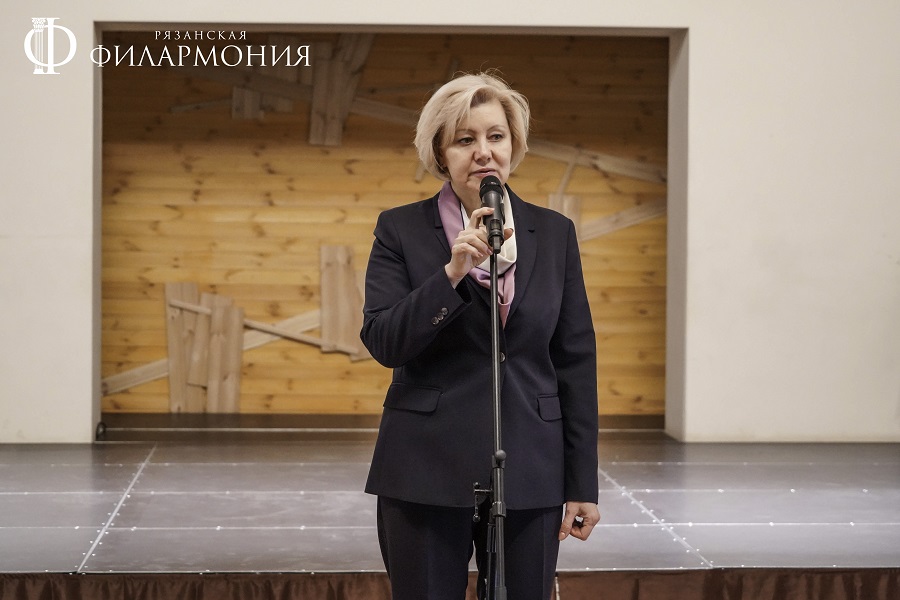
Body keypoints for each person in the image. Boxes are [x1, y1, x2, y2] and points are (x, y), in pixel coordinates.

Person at [360, 71, 600, 600]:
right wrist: (451, 276)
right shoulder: (400, 229)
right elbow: (384, 341)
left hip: (531, 469)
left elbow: (575, 360)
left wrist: (582, 482)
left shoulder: (554, 233)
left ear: (514, 146)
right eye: (465, 139)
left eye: (496, 136)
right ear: (440, 154)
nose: (484, 152)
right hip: (424, 469)